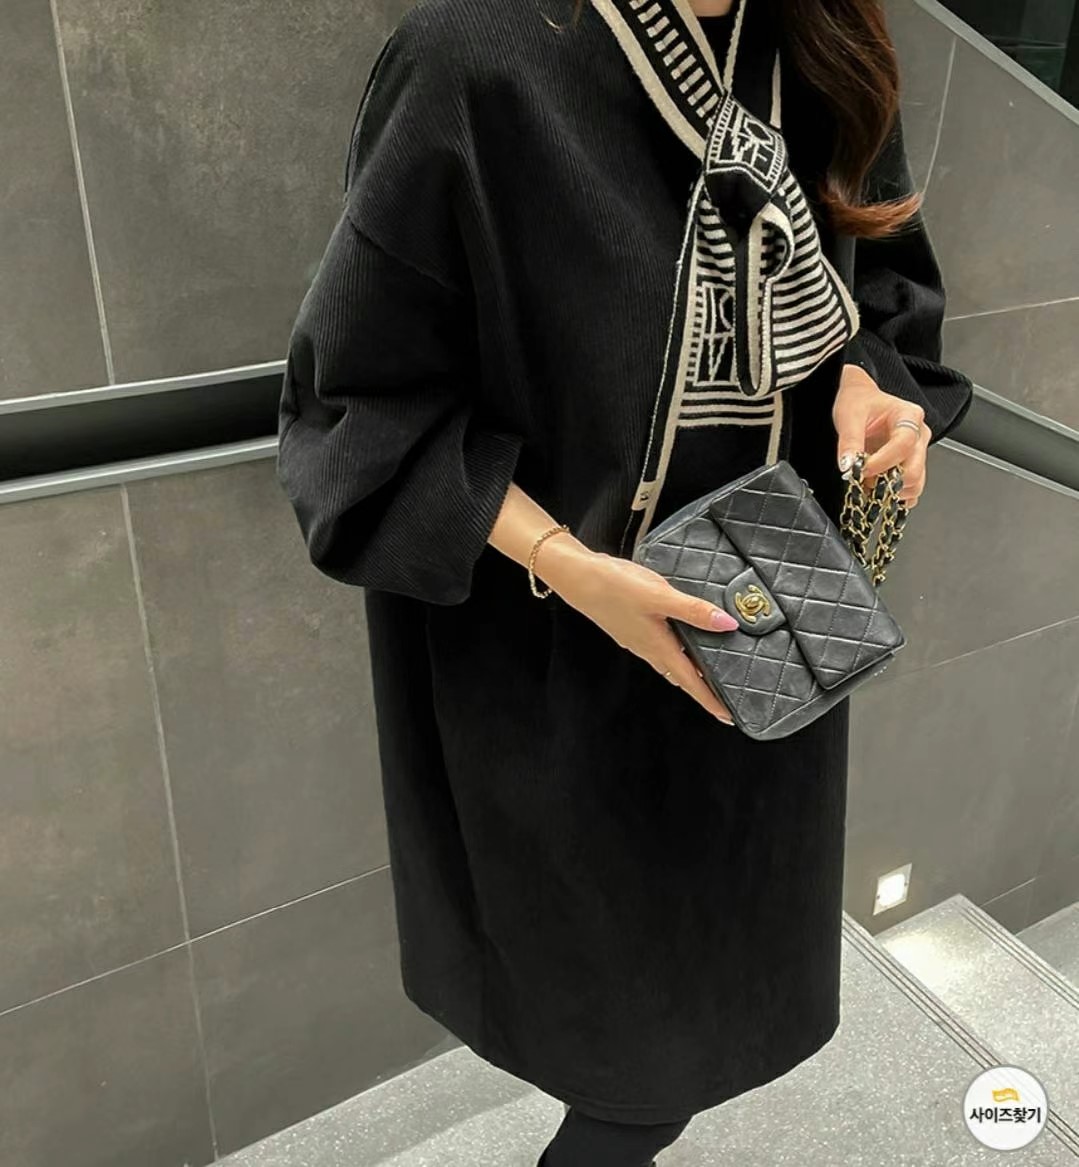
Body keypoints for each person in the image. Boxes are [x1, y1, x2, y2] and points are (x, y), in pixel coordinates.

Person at [276, 0, 974, 1161]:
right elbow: (355, 404)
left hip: (763, 623)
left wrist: (870, 382)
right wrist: (573, 570)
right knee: (629, 1059)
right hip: (558, 662)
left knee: (710, 1006)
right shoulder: (471, 58)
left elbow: (881, 278)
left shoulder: (820, 37)